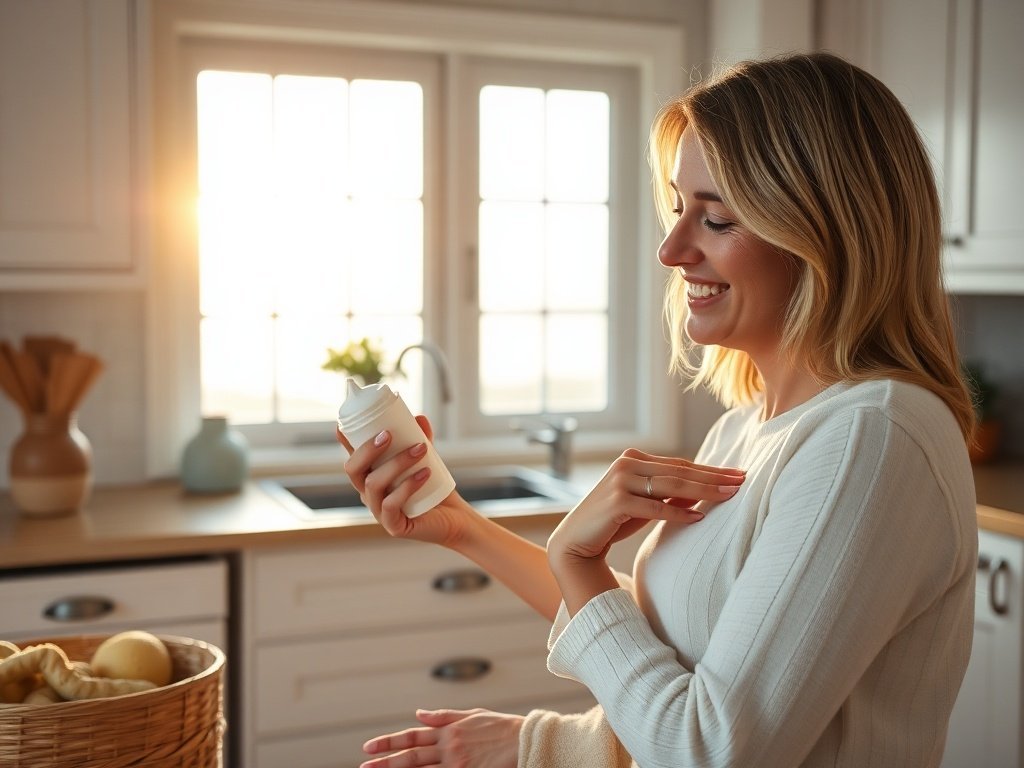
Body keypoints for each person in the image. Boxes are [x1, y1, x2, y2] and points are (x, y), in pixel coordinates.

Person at [338, 51, 978, 768]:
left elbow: (707, 751)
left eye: (718, 219)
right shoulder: (747, 429)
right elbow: (669, 638)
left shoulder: (872, 437)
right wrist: (462, 526)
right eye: (679, 209)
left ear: (826, 230)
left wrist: (575, 565)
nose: (672, 250)